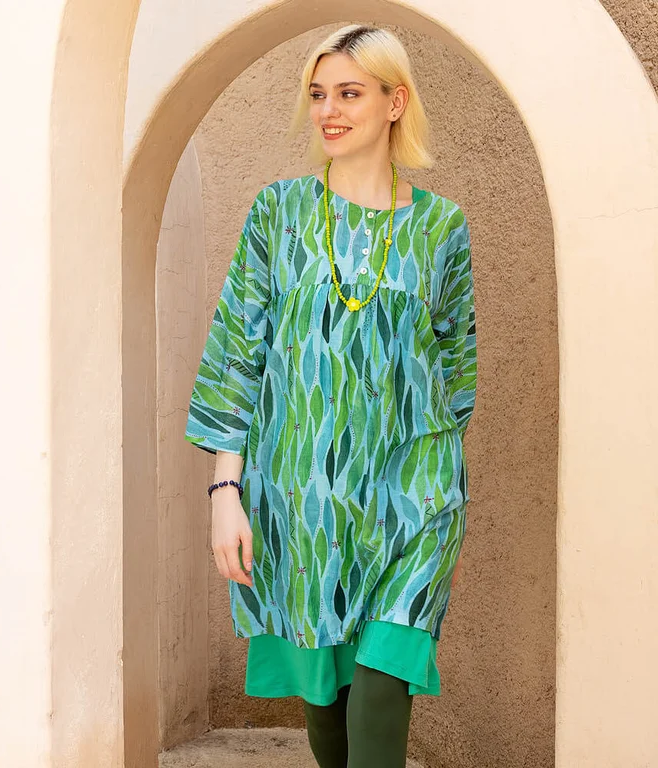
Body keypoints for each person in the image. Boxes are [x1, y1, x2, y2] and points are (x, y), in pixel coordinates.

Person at [184, 23, 477, 768]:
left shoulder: (441, 228)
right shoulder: (279, 213)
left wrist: (428, 468)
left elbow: (456, 366)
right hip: (303, 493)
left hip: (413, 492)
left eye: (349, 92)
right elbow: (235, 353)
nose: (328, 110)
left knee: (385, 675)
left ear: (393, 102)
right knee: (326, 691)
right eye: (318, 94)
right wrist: (227, 489)